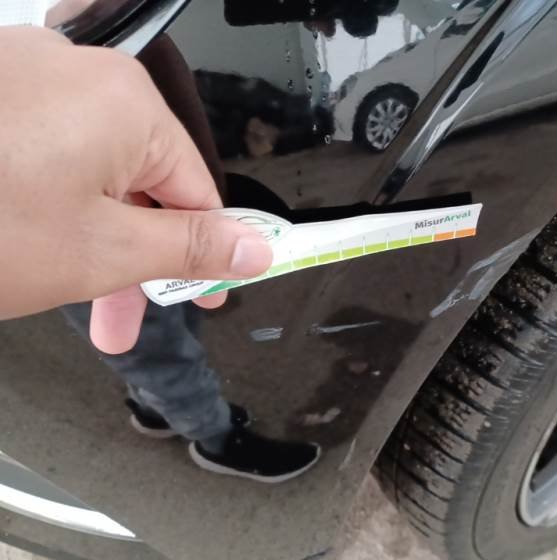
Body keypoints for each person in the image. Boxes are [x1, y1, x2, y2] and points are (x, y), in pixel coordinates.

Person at [0, 25, 319, 481]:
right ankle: (215, 438)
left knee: (169, 312)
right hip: (80, 197)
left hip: (120, 169)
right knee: (157, 347)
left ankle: (155, 407)